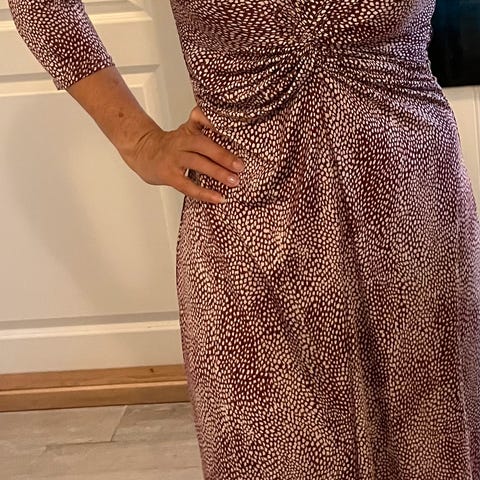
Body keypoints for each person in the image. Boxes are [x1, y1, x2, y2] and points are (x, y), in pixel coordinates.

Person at [8, 1, 480, 479]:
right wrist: (139, 140)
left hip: (415, 217)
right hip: (246, 238)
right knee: (274, 447)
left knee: (429, 443)